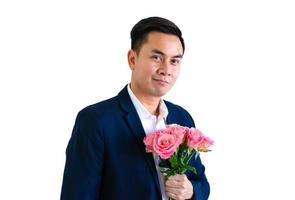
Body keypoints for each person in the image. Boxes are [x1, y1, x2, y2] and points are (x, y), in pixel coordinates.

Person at [60, 16, 210, 200]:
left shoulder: (182, 117)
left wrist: (191, 190)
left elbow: (201, 181)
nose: (166, 69)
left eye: (174, 61)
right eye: (156, 57)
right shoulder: (96, 121)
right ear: (132, 59)